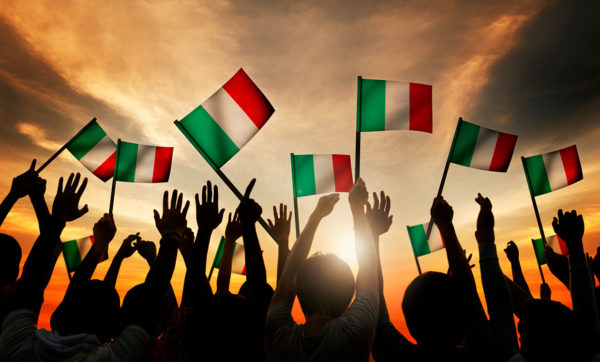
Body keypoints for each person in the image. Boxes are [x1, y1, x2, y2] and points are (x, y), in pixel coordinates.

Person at [265, 178, 379, 362]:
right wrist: (357, 208)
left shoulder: (280, 338)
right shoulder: (357, 332)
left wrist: (316, 216)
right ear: (349, 293)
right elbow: (369, 266)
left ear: (299, 291)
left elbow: (288, 276)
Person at [373, 195, 492, 362]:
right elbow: (471, 300)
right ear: (460, 317)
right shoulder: (481, 354)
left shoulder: (397, 355)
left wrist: (372, 237)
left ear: (410, 323)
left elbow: (375, 303)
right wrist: (446, 227)